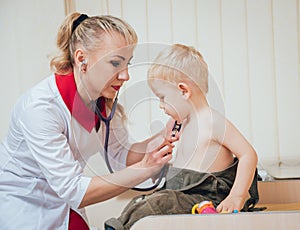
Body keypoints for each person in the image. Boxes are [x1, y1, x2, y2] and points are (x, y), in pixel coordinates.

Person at [0, 13, 175, 230]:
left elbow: (120, 156)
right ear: (82, 59)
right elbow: (74, 190)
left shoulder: (102, 102)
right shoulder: (40, 108)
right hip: (25, 208)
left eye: (127, 64)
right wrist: (145, 169)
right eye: (115, 63)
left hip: (64, 205)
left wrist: (163, 137)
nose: (126, 76)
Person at [104, 44, 259, 230]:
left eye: (162, 97)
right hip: (183, 193)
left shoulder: (212, 121)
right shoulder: (184, 123)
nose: (161, 105)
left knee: (159, 203)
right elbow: (187, 166)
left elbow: (248, 154)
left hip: (205, 198)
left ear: (184, 91)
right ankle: (121, 225)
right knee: (142, 201)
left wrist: (236, 196)